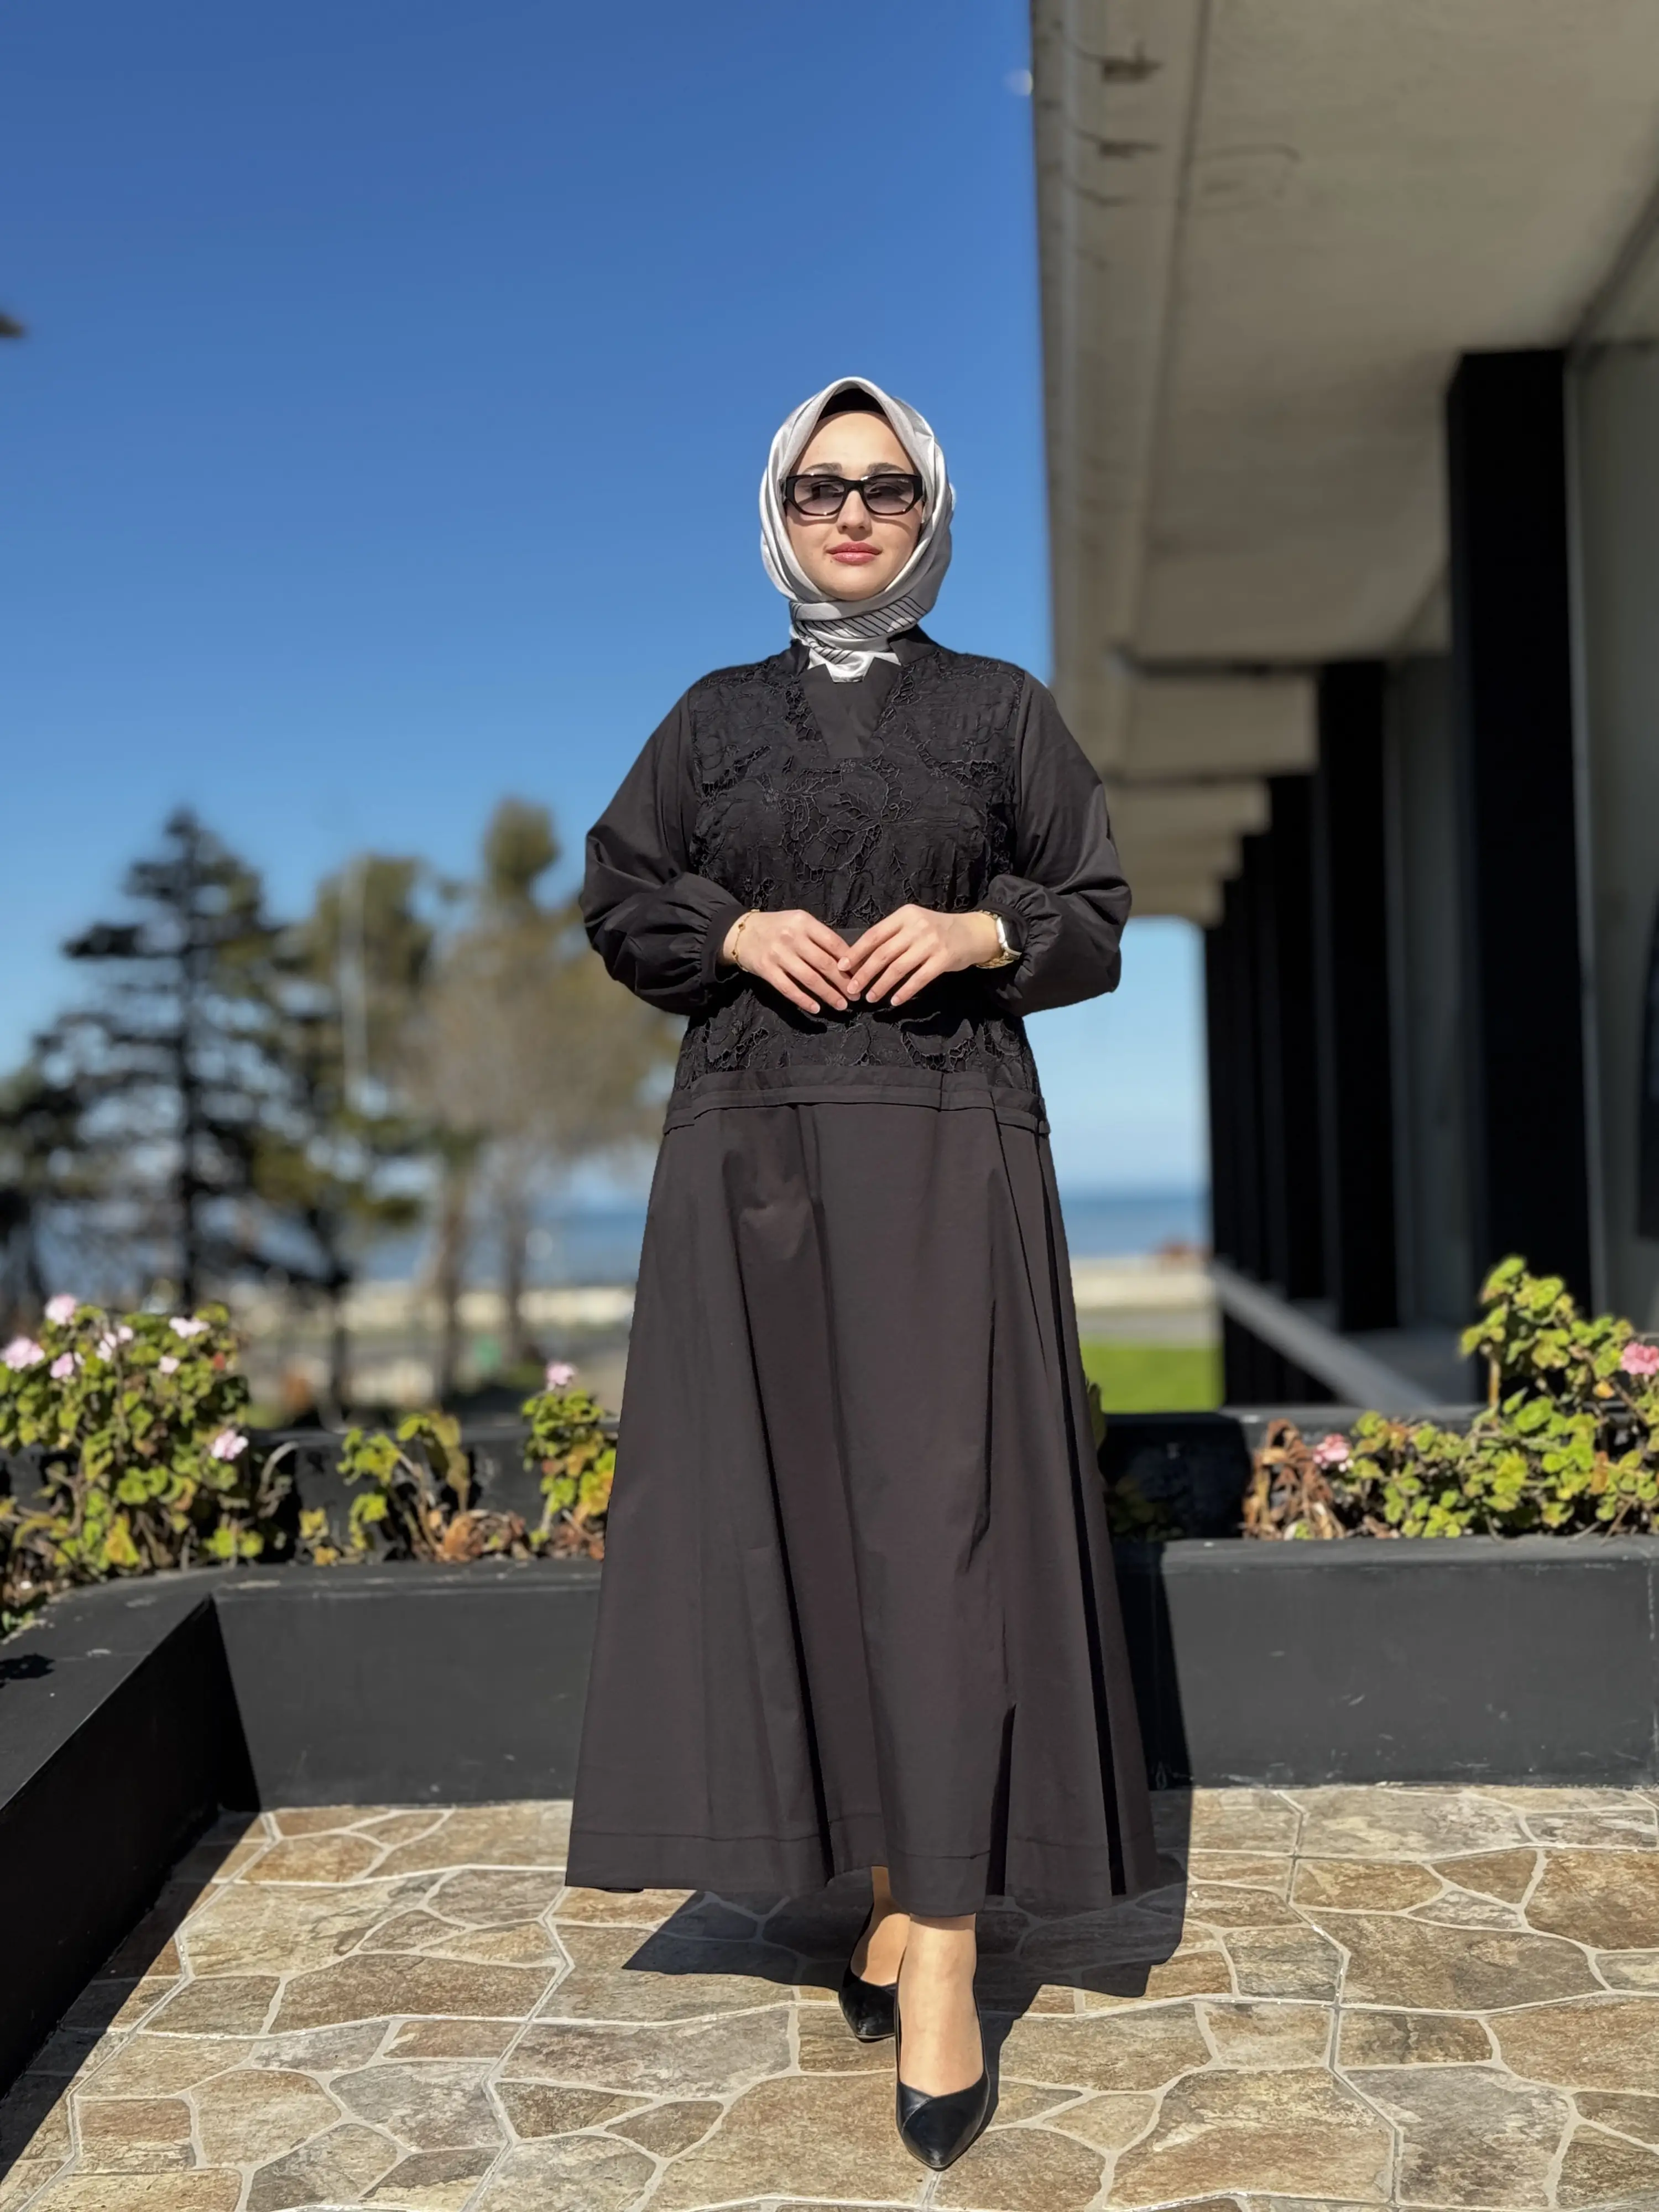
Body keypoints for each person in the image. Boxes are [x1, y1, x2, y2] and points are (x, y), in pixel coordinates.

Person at [570, 375, 1156, 2171]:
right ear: (777, 509)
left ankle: (948, 1947)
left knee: (942, 1531)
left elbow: (1098, 909)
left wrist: (982, 926)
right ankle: (890, 1882)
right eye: (822, 485)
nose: (852, 512)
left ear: (930, 510)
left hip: (947, 1147)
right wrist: (731, 925)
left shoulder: (999, 712)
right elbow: (618, 894)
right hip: (749, 1156)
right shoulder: (710, 719)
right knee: (805, 1522)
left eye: (887, 486)